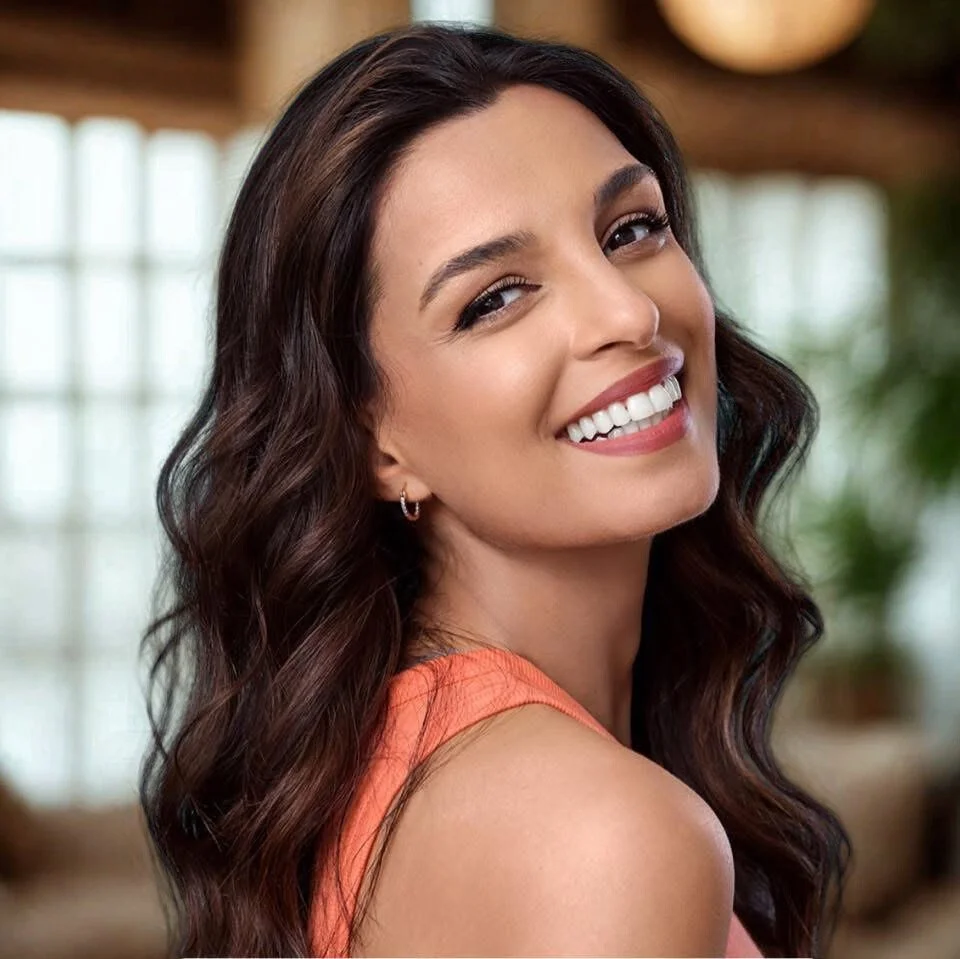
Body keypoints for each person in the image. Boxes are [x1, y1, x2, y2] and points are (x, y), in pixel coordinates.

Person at [140, 21, 850, 958]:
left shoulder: (394, 762)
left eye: (631, 229)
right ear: (374, 444)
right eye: (495, 298)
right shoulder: (602, 835)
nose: (628, 311)